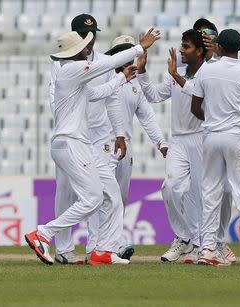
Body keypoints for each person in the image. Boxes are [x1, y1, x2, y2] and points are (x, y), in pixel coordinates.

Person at [25, 28, 160, 265]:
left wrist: (122, 77)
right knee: (93, 198)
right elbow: (106, 65)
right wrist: (140, 48)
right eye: (84, 48)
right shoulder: (72, 70)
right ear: (75, 52)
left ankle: (102, 251)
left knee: (112, 194)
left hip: (80, 143)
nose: (89, 50)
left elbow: (99, 93)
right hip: (70, 143)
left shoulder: (77, 79)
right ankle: (43, 233)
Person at [49, 14, 135, 264]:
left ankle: (96, 248)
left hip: (98, 138)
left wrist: (119, 133)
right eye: (86, 34)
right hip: (72, 137)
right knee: (66, 191)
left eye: (93, 33)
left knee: (102, 192)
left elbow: (112, 98)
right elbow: (54, 97)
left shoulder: (105, 62)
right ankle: (63, 250)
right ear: (75, 36)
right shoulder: (62, 64)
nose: (91, 38)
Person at [191, 29, 240, 266]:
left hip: (211, 136)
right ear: (239, 48)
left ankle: (207, 250)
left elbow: (195, 108)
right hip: (237, 137)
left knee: (210, 193)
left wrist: (214, 117)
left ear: (219, 47)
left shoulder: (206, 70)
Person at [136, 29, 205, 263]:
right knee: (170, 187)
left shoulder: (207, 73)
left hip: (201, 138)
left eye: (187, 47)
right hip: (179, 140)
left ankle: (198, 244)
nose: (182, 51)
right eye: (182, 45)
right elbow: (154, 96)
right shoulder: (177, 72)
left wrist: (176, 76)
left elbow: (200, 95)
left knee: (197, 194)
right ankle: (184, 238)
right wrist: (143, 71)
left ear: (200, 50)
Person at [105, 35, 168, 206]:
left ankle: (115, 234)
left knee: (121, 199)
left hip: (125, 148)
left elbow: (147, 116)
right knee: (102, 199)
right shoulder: (104, 79)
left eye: (129, 53)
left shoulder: (135, 85)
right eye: (121, 54)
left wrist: (161, 143)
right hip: (102, 146)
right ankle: (98, 234)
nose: (127, 59)